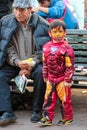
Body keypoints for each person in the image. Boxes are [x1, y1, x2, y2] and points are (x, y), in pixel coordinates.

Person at [0, 0, 50, 126]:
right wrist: (17, 62)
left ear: (30, 9)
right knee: (0, 76)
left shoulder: (42, 24)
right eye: (15, 9)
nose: (18, 13)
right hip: (14, 62)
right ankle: (7, 112)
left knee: (40, 74)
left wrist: (30, 65)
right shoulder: (6, 21)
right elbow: (7, 46)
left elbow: (43, 49)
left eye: (22, 10)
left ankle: (37, 110)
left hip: (34, 63)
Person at [38, 20, 74, 126]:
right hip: (50, 78)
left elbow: (69, 65)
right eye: (54, 32)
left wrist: (68, 79)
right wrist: (45, 74)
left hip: (62, 79)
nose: (57, 34)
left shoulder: (67, 48)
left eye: (60, 32)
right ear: (50, 33)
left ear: (65, 33)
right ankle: (47, 118)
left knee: (65, 100)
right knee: (48, 98)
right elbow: (45, 62)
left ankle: (67, 118)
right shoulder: (46, 47)